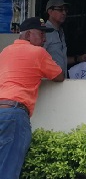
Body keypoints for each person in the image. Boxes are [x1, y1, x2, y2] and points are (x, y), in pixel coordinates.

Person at [0, 17, 64, 178]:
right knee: (8, 171)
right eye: (41, 34)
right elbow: (59, 75)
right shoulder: (38, 53)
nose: (44, 39)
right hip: (15, 116)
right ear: (28, 35)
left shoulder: (5, 52)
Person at [43, 0, 86, 76]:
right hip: (49, 82)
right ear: (50, 11)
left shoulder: (61, 31)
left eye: (65, 10)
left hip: (61, 81)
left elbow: (61, 59)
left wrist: (78, 58)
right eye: (60, 10)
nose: (64, 13)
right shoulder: (44, 32)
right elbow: (38, 59)